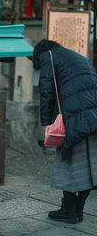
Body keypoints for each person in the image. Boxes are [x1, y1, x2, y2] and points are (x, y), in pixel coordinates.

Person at [32, 39, 97, 224]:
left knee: (68, 165)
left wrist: (46, 123)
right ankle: (77, 210)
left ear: (38, 54)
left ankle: (69, 211)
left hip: (74, 119)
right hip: (93, 116)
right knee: (90, 169)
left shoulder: (48, 56)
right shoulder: (76, 56)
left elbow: (46, 90)